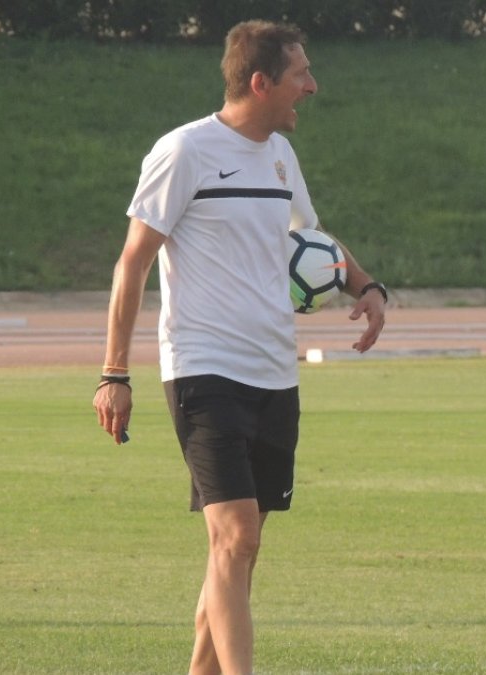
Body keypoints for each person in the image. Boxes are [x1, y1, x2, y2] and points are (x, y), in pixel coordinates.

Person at [91, 20, 387, 675]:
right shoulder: (184, 151)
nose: (311, 85)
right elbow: (133, 262)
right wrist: (114, 373)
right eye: (300, 74)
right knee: (236, 535)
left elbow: (312, 238)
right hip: (203, 369)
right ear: (260, 83)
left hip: (274, 373)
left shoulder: (281, 156)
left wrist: (364, 285)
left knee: (236, 552)